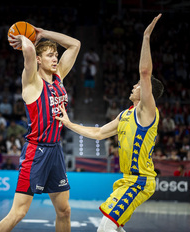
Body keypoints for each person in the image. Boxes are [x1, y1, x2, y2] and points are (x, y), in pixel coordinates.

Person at [56, 14, 163, 232]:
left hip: (140, 181)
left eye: (138, 85)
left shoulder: (147, 112)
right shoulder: (125, 115)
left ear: (147, 92)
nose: (134, 86)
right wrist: (68, 123)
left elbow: (144, 72)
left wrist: (145, 37)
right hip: (128, 180)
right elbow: (98, 134)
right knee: (113, 227)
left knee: (105, 227)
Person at [0, 23, 80, 232]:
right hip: (36, 151)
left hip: (56, 150)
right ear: (39, 60)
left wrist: (43, 33)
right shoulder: (32, 81)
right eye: (50, 55)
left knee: (64, 211)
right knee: (18, 213)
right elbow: (31, 53)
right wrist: (25, 37)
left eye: (56, 55)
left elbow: (75, 45)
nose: (55, 59)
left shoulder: (59, 75)